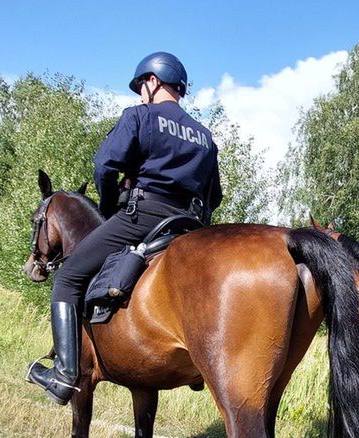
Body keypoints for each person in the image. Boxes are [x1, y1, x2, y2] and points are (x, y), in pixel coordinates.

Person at [27, 51, 223, 404]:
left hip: (142, 214)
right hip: (186, 225)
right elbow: (215, 196)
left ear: (152, 81)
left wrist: (108, 209)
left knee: (68, 276)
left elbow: (104, 166)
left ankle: (64, 376)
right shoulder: (205, 137)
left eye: (140, 86)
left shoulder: (139, 116)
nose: (139, 94)